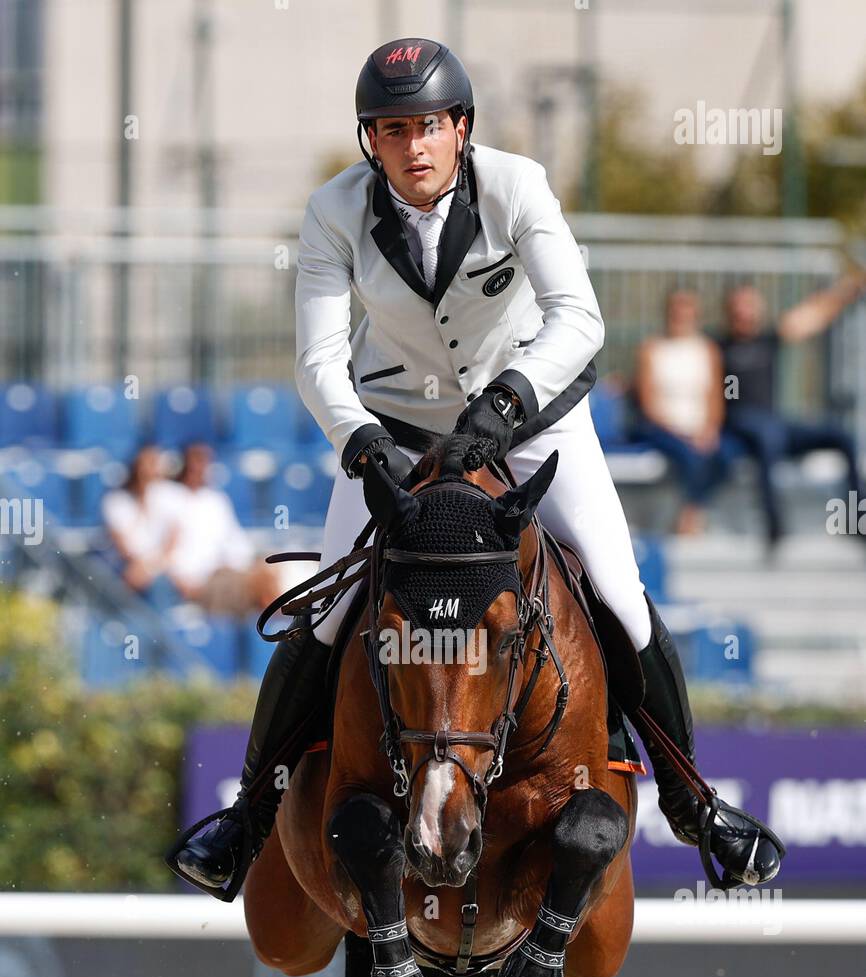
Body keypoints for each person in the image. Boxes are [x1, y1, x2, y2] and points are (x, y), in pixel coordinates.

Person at [166, 36, 783, 900]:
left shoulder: (518, 185)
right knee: (332, 608)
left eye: (426, 126)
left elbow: (580, 317)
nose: (411, 147)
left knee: (615, 591)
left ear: (461, 126)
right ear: (368, 140)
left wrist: (505, 404)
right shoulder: (334, 211)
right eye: (390, 130)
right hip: (397, 432)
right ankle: (249, 818)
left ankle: (696, 804)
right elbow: (316, 359)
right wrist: (359, 438)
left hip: (529, 424)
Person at [717, 276, 866, 543]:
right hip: (740, 424)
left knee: (841, 436)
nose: (744, 313)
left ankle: (856, 519)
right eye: (738, 307)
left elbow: (809, 318)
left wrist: (845, 292)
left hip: (774, 424)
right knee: (766, 434)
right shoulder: (719, 348)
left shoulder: (767, 340)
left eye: (749, 306)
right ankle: (774, 524)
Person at [632, 288, 738, 535]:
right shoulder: (651, 349)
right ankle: (687, 523)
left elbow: (715, 397)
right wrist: (683, 434)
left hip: (699, 430)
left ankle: (692, 510)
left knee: (726, 455)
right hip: (662, 428)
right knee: (691, 458)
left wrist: (709, 429)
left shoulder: (708, 350)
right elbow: (648, 403)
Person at [169, 442, 283, 613]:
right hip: (196, 580)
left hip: (224, 572)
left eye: (204, 461)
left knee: (270, 570)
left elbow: (235, 542)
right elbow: (163, 550)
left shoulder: (216, 500)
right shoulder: (168, 497)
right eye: (195, 461)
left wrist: (249, 564)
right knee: (260, 586)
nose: (200, 467)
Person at [102, 443, 183, 607]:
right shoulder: (116, 501)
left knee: (161, 584)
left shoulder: (171, 497)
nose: (147, 472)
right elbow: (124, 548)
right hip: (129, 568)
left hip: (159, 568)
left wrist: (150, 568)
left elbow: (172, 542)